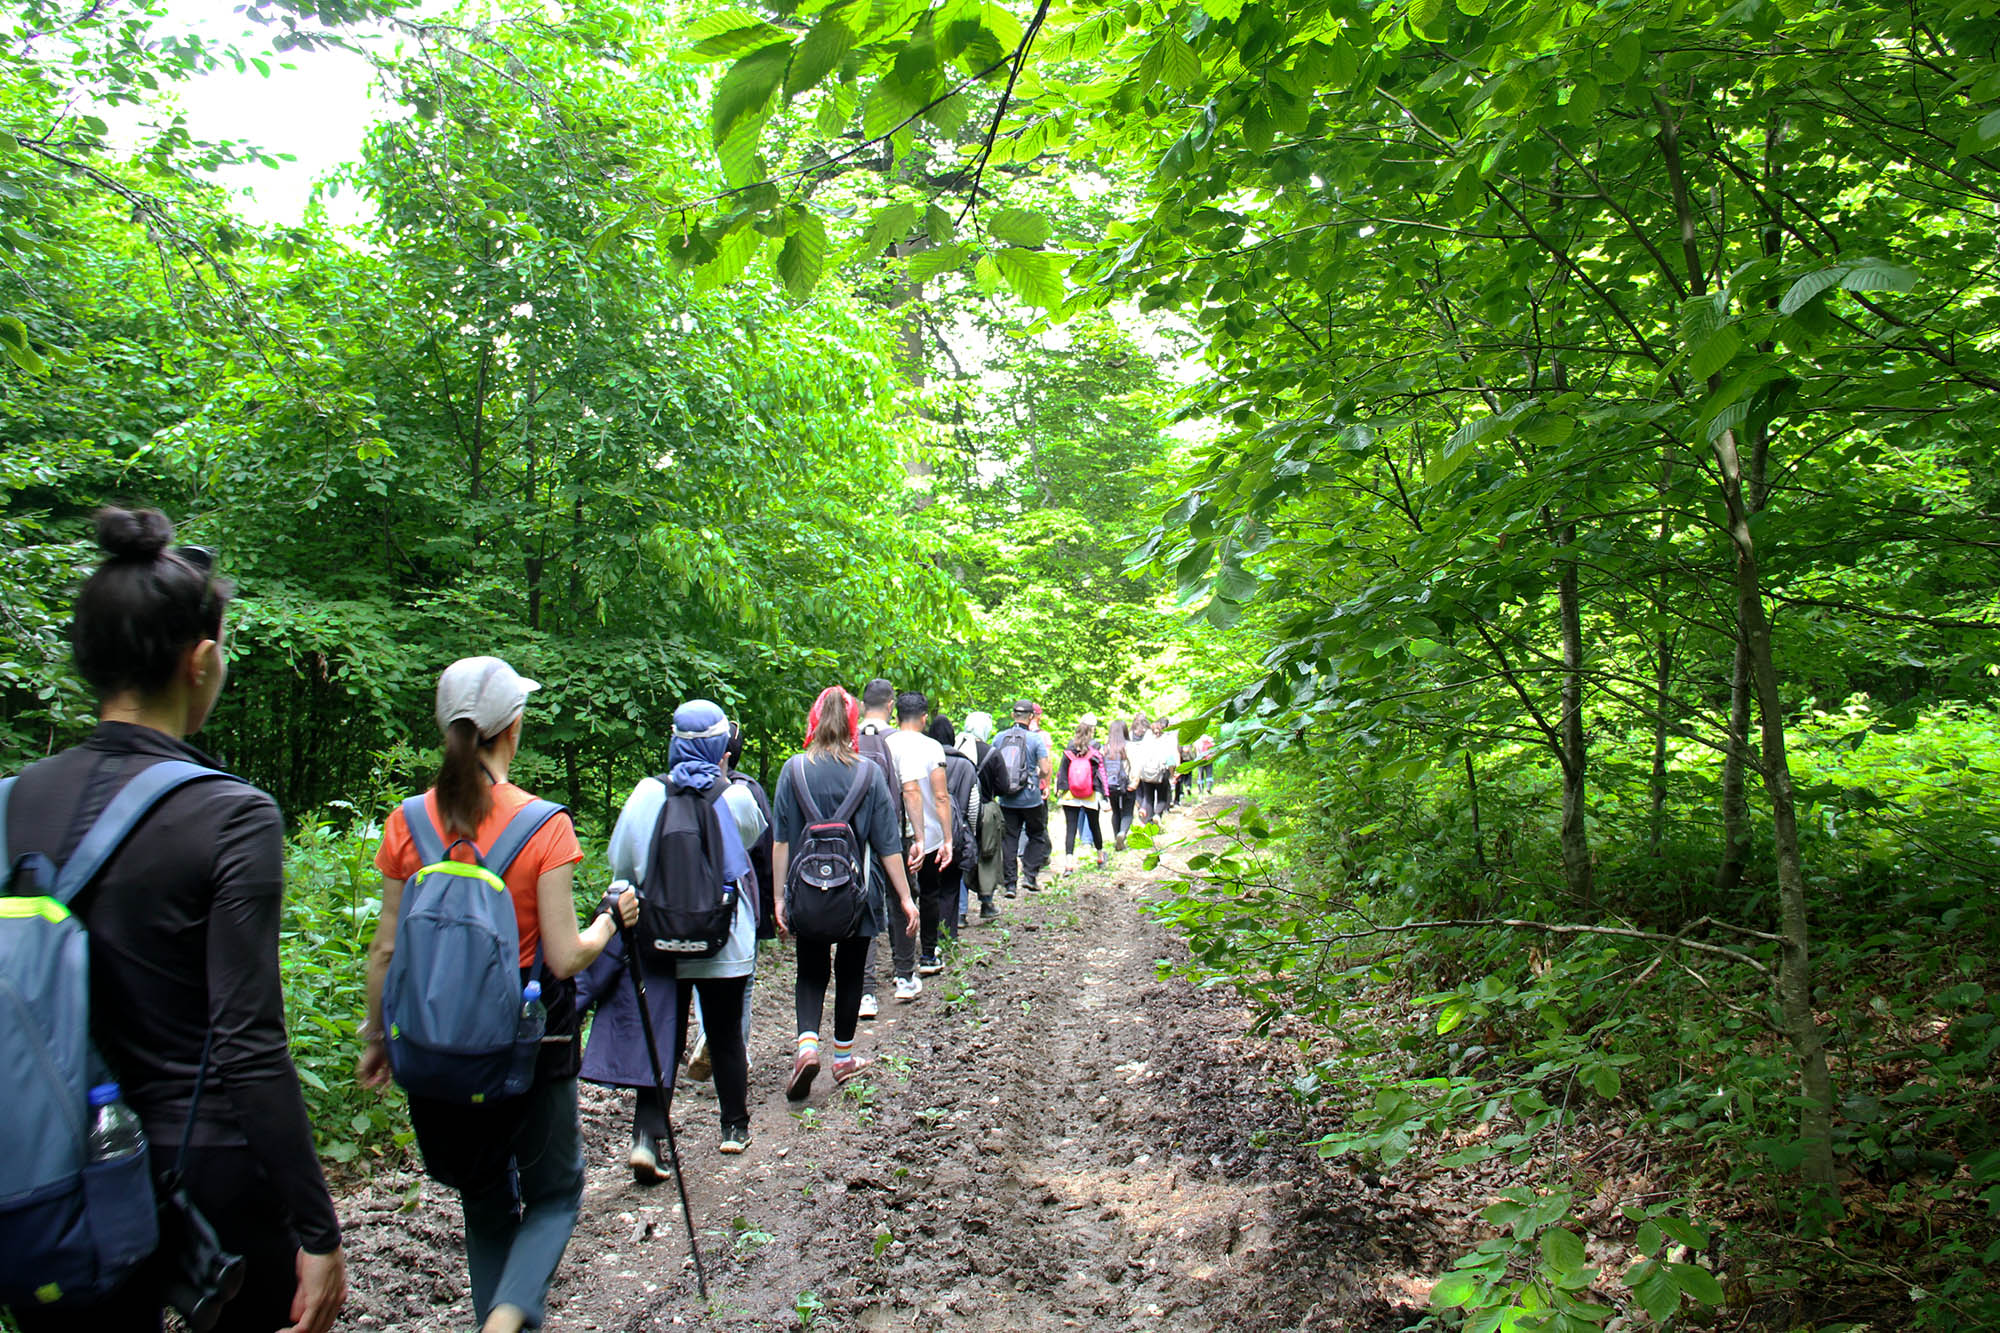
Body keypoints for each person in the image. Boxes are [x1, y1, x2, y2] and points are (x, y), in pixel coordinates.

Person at [3, 508, 346, 1333]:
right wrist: (316, 1226)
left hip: (46, 1168)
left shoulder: (12, 803)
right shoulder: (231, 813)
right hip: (204, 1172)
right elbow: (247, 1038)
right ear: (201, 661)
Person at [361, 656, 639, 1333]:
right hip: (528, 1047)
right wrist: (613, 919)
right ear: (512, 725)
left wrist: (377, 1039)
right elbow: (566, 954)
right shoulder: (542, 825)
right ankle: (505, 1319)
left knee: (484, 1199)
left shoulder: (409, 823)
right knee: (555, 1192)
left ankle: (499, 1316)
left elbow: (387, 949)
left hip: (434, 1047)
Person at [577, 700, 765, 1166]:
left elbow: (622, 863)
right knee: (723, 1032)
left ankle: (647, 1138)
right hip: (724, 937)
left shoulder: (646, 794)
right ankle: (734, 1128)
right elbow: (750, 841)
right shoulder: (735, 797)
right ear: (721, 747)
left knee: (662, 1030)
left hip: (657, 935)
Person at [773, 687, 920, 1098]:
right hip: (860, 891)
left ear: (814, 721)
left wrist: (780, 898)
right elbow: (888, 843)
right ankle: (841, 1059)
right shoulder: (868, 772)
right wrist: (906, 899)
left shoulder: (794, 769)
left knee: (811, 967)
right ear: (853, 723)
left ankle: (806, 1046)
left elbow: (781, 840)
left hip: (806, 889)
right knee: (852, 970)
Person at [923, 712, 979, 966]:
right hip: (957, 833)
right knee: (950, 889)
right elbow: (975, 804)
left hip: (928, 832)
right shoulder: (966, 764)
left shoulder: (923, 761)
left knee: (928, 888)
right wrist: (970, 831)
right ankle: (948, 940)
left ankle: (928, 941)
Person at [987, 700, 1052, 897]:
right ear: (1031, 717)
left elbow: (992, 766)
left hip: (1007, 798)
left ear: (1013, 715)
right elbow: (1046, 769)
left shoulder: (999, 738)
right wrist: (1036, 776)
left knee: (1009, 839)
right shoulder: (1035, 740)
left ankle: (1010, 885)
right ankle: (1030, 876)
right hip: (1031, 798)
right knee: (1037, 834)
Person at [958, 711, 1003, 920]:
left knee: (961, 855)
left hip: (959, 811)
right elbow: (1003, 786)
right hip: (985, 810)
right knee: (987, 854)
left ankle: (960, 912)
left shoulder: (955, 747)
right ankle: (986, 903)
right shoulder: (992, 752)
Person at [1055, 718, 1110, 875]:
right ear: (1091, 733)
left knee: (1070, 829)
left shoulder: (1068, 751)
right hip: (1090, 795)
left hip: (1069, 795)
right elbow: (1101, 775)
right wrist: (1104, 796)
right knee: (1094, 825)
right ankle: (1100, 857)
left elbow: (1062, 773)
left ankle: (1069, 865)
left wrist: (1059, 789)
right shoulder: (1095, 754)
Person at [1101, 717, 1137, 850]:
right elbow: (1135, 765)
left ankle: (1117, 836)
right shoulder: (1129, 746)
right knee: (1127, 812)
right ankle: (1122, 834)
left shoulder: (1105, 747)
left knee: (1115, 812)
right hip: (1126, 784)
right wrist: (1135, 781)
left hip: (1110, 785)